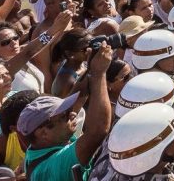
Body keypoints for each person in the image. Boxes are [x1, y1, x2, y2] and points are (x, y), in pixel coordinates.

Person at [19, 44, 114, 181]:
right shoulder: (55, 165)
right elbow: (98, 131)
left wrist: (91, 67)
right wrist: (99, 73)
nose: (73, 114)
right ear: (43, 133)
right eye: (65, 116)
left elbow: (80, 95)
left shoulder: (40, 144)